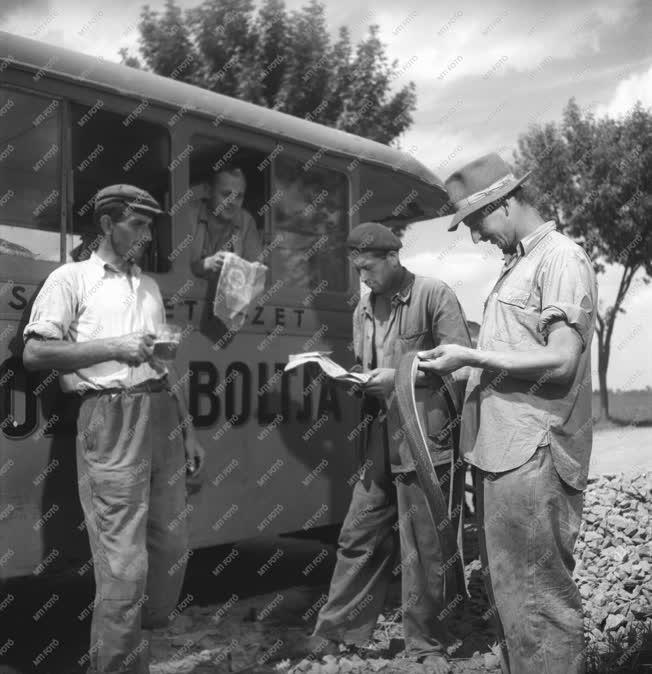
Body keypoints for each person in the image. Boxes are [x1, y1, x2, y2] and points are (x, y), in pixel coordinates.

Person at [418, 153, 598, 674]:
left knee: (540, 606)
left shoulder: (561, 258)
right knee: (513, 605)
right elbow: (512, 354)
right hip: (502, 458)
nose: (476, 236)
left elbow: (562, 360)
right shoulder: (517, 265)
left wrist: (472, 355)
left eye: (476, 221)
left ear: (503, 202)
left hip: (534, 457)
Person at [22, 184, 206, 674]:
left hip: (161, 412)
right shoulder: (70, 278)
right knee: (124, 561)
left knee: (171, 544)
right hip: (109, 415)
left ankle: (139, 645)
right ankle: (119, 665)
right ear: (106, 224)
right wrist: (114, 348)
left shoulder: (146, 285)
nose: (146, 235)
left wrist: (186, 427)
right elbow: (36, 353)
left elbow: (165, 363)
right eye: (136, 224)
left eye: (149, 225)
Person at [288, 222, 472, 674]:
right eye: (357, 269)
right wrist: (357, 381)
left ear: (393, 257)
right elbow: (373, 370)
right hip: (380, 437)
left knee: (423, 545)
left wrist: (399, 378)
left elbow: (463, 366)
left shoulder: (434, 294)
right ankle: (336, 634)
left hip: (426, 440)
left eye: (368, 267)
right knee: (359, 534)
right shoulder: (364, 308)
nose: (362, 278)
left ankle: (426, 644)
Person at [189, 165, 263, 279]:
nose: (232, 202)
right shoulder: (188, 215)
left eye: (238, 196)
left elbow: (255, 275)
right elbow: (176, 272)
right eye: (226, 194)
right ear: (208, 191)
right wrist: (206, 264)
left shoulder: (246, 221)